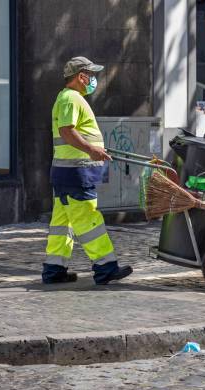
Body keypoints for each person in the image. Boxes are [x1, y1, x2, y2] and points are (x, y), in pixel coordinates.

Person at [43, 56, 133, 285]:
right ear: (81, 76)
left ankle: (54, 271)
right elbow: (67, 131)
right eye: (91, 75)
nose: (93, 79)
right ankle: (106, 268)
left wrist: (94, 148)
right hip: (76, 173)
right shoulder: (71, 98)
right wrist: (91, 149)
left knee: (62, 225)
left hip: (67, 173)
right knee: (89, 220)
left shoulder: (68, 98)